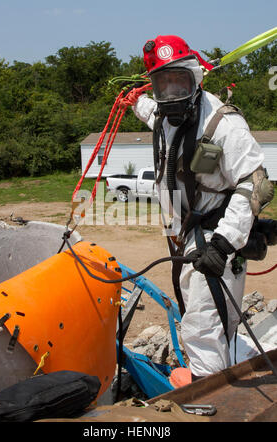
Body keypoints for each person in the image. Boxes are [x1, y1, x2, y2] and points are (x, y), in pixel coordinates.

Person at [131, 35, 273, 380]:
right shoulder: (166, 116)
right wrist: (135, 101)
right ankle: (217, 368)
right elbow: (152, 112)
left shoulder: (223, 124)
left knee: (201, 321)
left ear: (195, 78)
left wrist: (224, 244)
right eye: (163, 85)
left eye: (180, 81)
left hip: (215, 234)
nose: (172, 92)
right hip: (184, 231)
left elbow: (255, 184)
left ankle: (206, 396)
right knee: (201, 311)